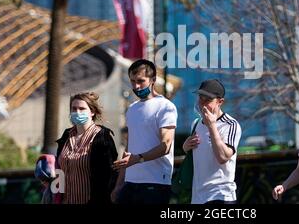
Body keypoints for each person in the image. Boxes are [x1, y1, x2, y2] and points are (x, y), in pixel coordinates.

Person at [112, 59, 178, 204]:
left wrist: (138, 159)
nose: (136, 86)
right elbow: (129, 149)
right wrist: (118, 185)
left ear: (153, 80)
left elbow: (165, 146)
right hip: (130, 184)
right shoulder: (132, 109)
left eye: (141, 81)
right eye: (132, 81)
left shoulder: (166, 107)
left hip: (155, 183)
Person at [183, 79, 242, 204]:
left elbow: (223, 157)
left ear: (220, 102)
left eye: (208, 100)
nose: (202, 104)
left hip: (221, 195)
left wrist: (212, 126)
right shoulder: (196, 124)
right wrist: (185, 147)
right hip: (198, 197)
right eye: (200, 98)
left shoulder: (230, 124)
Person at [56, 92, 118, 204]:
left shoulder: (102, 138)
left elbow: (109, 177)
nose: (77, 112)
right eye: (74, 109)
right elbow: (59, 170)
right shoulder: (66, 136)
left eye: (82, 108)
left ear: (92, 112)